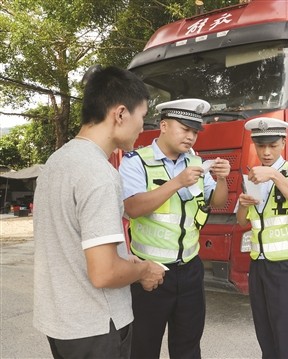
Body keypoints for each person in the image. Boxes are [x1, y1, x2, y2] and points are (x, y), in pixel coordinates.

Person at [33, 66, 166, 359]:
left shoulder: (56, 162)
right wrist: (143, 270)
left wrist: (122, 259)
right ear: (120, 114)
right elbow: (104, 273)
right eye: (142, 117)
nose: (143, 127)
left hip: (61, 323)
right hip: (96, 326)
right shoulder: (100, 174)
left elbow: (71, 241)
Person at [119, 98, 231, 358]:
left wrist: (223, 179)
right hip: (150, 272)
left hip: (190, 269)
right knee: (143, 347)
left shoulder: (195, 162)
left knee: (188, 347)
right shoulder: (136, 161)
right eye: (185, 129)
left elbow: (218, 201)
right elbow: (132, 208)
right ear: (164, 126)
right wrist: (177, 182)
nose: (191, 137)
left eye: (195, 131)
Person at [236, 117, 288, 359]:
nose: (266, 152)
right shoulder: (251, 177)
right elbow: (241, 221)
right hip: (259, 265)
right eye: (260, 146)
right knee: (265, 333)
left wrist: (275, 176)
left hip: (286, 266)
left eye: (272, 145)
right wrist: (243, 206)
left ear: (283, 143)